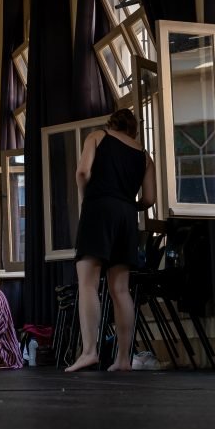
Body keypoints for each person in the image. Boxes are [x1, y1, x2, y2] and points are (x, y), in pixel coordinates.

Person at [66, 108, 156, 372]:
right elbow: (149, 199)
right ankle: (124, 359)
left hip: (98, 208)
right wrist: (127, 206)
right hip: (127, 215)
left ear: (111, 124)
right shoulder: (144, 155)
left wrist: (88, 199)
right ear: (133, 130)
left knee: (88, 283)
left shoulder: (97, 136)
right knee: (120, 289)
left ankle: (89, 352)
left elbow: (82, 173)